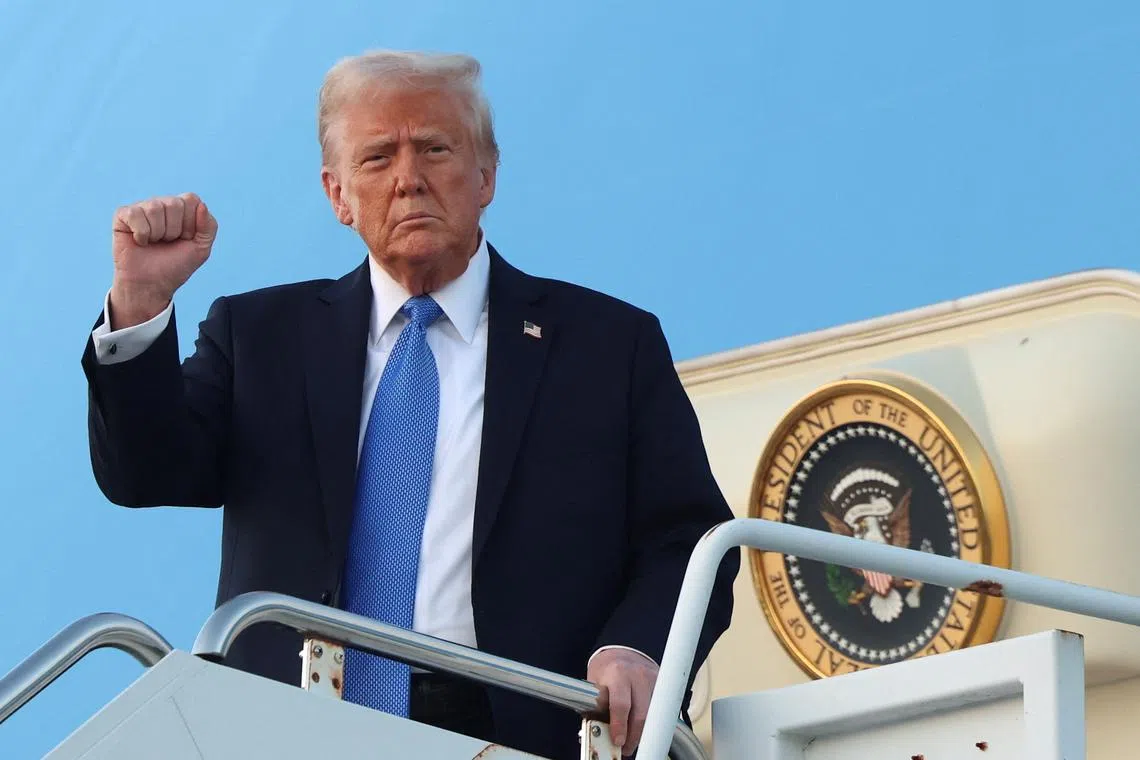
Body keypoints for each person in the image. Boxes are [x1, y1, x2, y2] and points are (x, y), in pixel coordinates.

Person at [81, 50, 738, 759]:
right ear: (337, 194)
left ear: (485, 174)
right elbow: (144, 474)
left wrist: (635, 649)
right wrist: (141, 305)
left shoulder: (607, 345)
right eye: (376, 159)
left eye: (435, 148)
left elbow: (689, 542)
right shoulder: (260, 337)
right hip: (289, 726)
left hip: (521, 726)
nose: (408, 179)